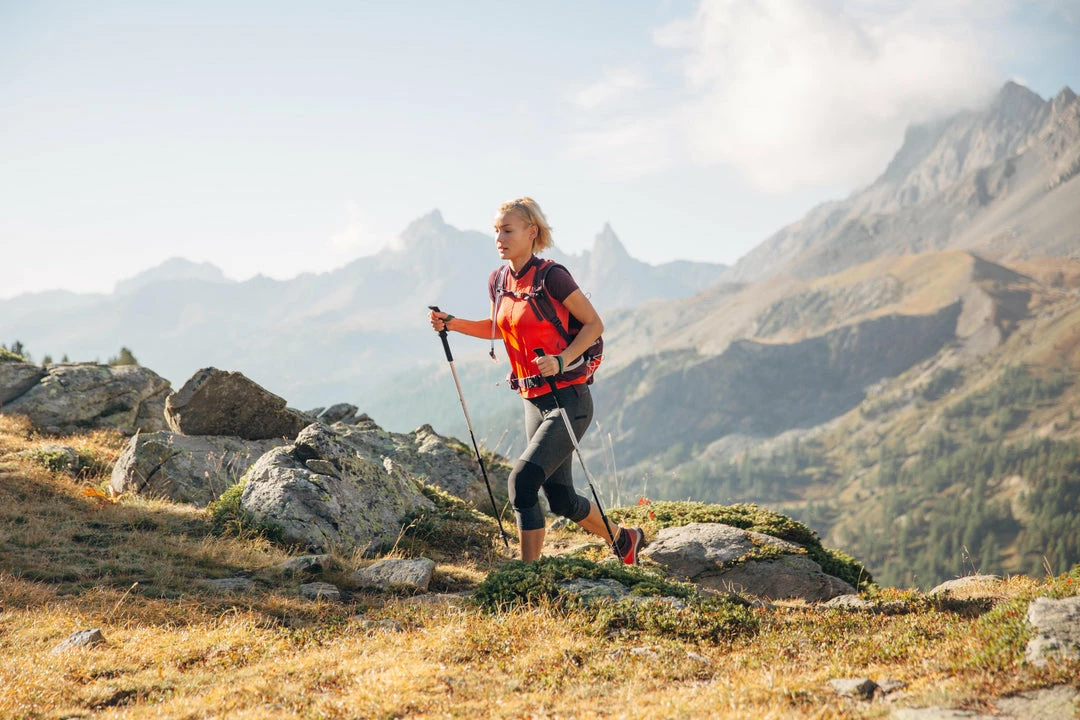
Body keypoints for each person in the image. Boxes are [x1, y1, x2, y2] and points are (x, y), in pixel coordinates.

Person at [428, 197, 646, 564]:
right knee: (560, 499)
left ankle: (528, 575)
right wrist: (454, 323)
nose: (500, 237)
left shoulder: (552, 276)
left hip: (569, 400)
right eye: (496, 230)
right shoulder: (498, 280)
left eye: (508, 230)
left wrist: (561, 361)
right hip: (533, 399)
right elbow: (500, 325)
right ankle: (625, 541)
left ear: (532, 233)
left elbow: (594, 325)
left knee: (522, 483)